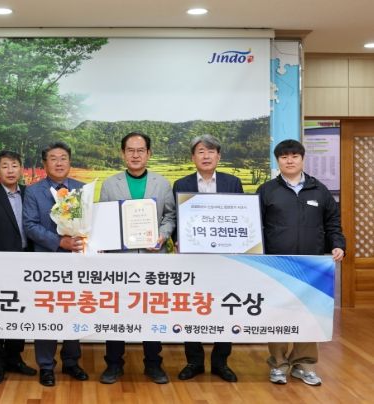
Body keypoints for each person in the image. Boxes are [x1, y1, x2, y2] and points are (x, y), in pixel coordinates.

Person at [257, 139, 345, 386]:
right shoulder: (267, 190)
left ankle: (304, 365)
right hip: (277, 264)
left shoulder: (319, 190)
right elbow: (255, 226)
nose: (290, 160)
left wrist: (338, 244)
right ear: (278, 161)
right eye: (284, 157)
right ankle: (278, 365)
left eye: (294, 156)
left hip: (311, 265)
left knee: (308, 315)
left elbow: (332, 223)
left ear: (303, 159)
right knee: (278, 314)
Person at [98, 132, 176, 385]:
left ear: (149, 154)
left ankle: (153, 364)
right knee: (116, 311)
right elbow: (104, 219)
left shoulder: (161, 183)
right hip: (119, 260)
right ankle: (113, 364)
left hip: (153, 258)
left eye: (140, 150)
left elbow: (170, 216)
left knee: (151, 311)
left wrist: (162, 236)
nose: (135, 155)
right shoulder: (110, 184)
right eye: (130, 150)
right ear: (123, 154)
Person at [172, 134, 243, 383]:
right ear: (193, 157)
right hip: (192, 258)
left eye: (211, 151)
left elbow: (241, 217)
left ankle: (221, 362)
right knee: (192, 306)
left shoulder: (232, 183)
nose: (206, 156)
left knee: (225, 306)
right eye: (201, 151)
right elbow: (176, 219)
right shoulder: (181, 184)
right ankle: (194, 361)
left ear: (219, 156)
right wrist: (178, 239)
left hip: (225, 259)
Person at [22, 142, 88, 387]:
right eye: (53, 158)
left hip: (77, 262)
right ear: (44, 163)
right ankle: (46, 366)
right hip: (46, 263)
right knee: (47, 313)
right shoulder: (33, 192)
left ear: (70, 161)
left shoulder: (82, 189)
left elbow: (91, 222)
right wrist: (60, 241)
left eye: (63, 158)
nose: (59, 163)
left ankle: (71, 362)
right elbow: (30, 225)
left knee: (74, 310)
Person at [0, 150, 37, 384]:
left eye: (14, 165)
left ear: (21, 168)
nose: (10, 170)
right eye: (5, 166)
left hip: (26, 261)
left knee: (20, 310)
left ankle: (15, 357)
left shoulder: (30, 193)